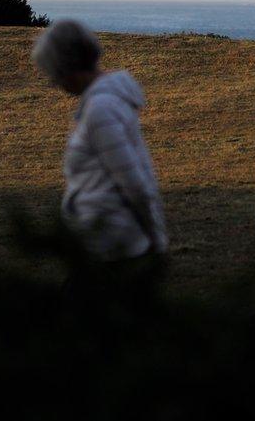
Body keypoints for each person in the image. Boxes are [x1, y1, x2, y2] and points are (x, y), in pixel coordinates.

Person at [32, 20, 168, 263]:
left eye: (53, 74)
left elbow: (134, 183)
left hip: (108, 244)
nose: (55, 84)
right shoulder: (110, 101)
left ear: (67, 68)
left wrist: (156, 240)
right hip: (102, 240)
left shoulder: (101, 110)